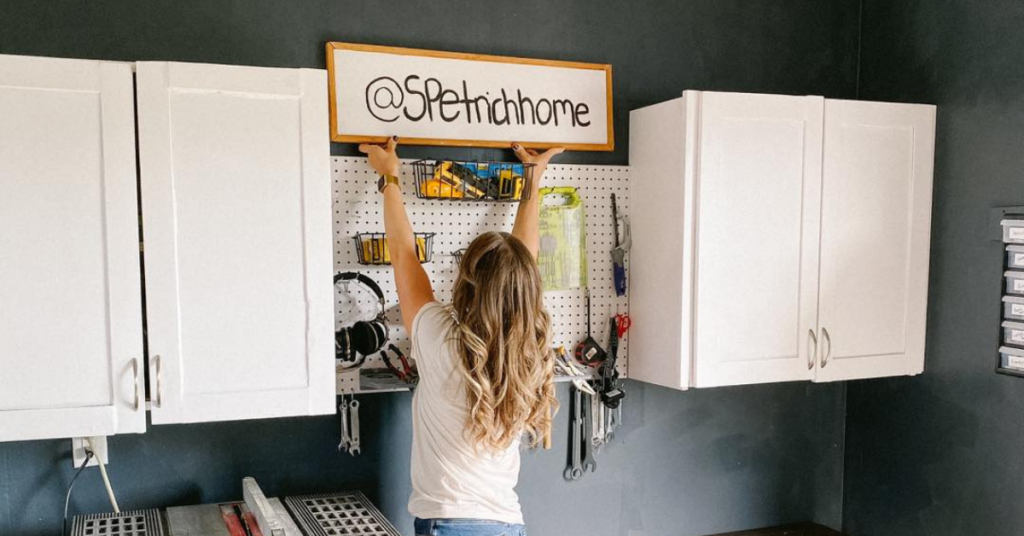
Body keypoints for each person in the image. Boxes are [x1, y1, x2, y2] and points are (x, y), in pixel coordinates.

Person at [359, 137, 565, 536]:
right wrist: (532, 181)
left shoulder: (442, 337)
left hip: (451, 526)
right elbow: (519, 268)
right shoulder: (527, 350)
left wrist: (390, 177)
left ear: (466, 281)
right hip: (509, 524)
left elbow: (403, 253)